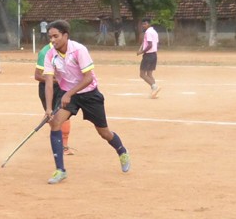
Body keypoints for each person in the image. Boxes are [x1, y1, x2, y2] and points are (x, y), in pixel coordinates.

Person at [42, 20, 130, 184]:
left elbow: (88, 78)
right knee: (55, 123)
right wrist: (48, 108)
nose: (52, 40)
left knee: (104, 133)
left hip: (89, 93)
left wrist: (69, 93)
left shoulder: (78, 50)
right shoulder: (49, 54)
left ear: (65, 35)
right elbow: (48, 82)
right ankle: (60, 170)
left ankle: (122, 150)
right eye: (50, 37)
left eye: (56, 36)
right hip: (69, 94)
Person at [35, 41, 73, 155]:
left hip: (62, 88)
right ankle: (60, 143)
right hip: (48, 88)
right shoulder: (45, 52)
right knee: (55, 118)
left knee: (65, 115)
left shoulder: (67, 50)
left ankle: (64, 146)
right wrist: (56, 80)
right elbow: (37, 75)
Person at [137, 18, 161, 98]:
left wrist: (141, 52)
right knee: (149, 74)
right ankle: (154, 93)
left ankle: (155, 87)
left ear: (149, 24)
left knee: (142, 74)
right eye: (143, 24)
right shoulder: (154, 31)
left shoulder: (148, 32)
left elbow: (150, 45)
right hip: (154, 55)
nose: (143, 26)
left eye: (145, 24)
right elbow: (156, 44)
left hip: (148, 55)